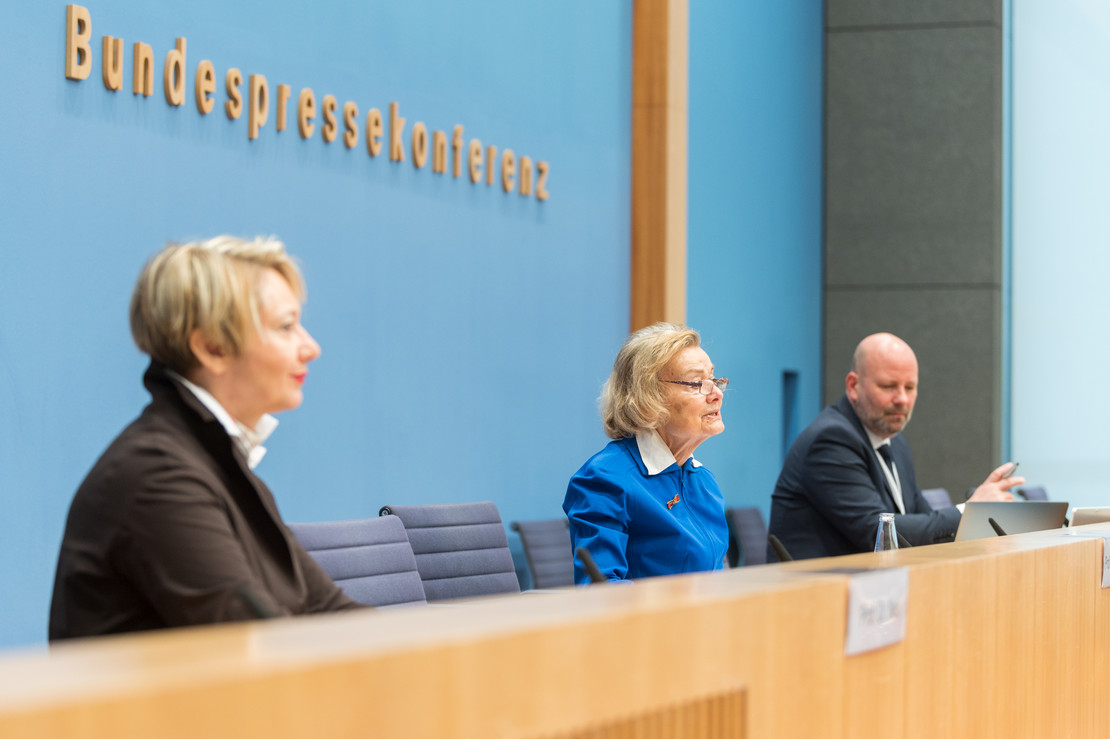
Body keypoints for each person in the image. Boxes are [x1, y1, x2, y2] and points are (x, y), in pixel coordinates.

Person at [49, 236, 363, 640]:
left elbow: (325, 609)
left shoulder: (212, 459)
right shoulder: (160, 475)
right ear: (212, 348)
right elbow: (260, 644)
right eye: (286, 327)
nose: (311, 347)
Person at [767, 332, 1022, 560]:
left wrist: (977, 515)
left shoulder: (895, 443)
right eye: (888, 386)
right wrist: (971, 511)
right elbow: (880, 533)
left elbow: (924, 521)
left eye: (910, 387)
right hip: (813, 592)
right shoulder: (831, 440)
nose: (902, 399)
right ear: (853, 386)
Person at [563, 323, 730, 583]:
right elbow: (601, 590)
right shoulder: (606, 480)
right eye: (697, 383)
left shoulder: (704, 481)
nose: (716, 394)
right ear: (647, 397)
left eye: (714, 380)